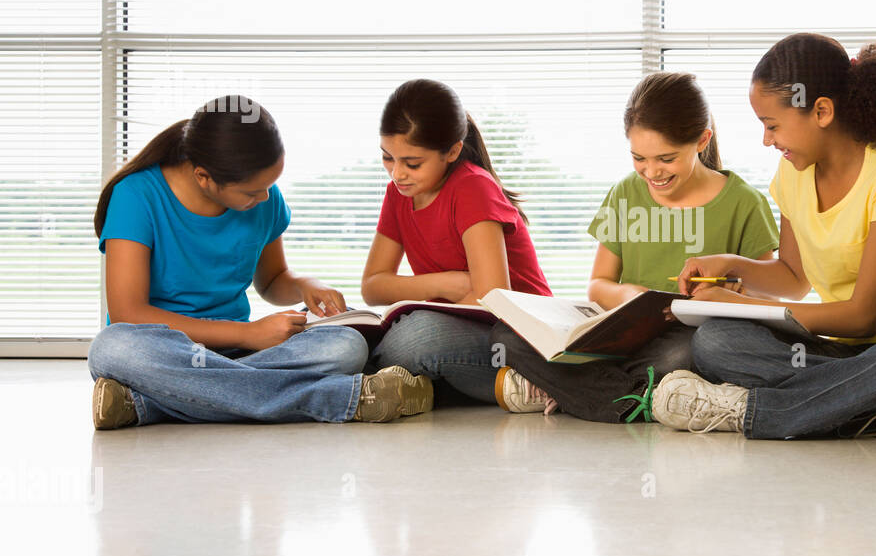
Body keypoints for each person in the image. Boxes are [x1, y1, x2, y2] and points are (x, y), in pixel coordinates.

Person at [649, 36, 876, 442]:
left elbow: (862, 317)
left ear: (821, 110)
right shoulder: (793, 175)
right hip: (846, 356)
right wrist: (732, 267)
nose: (767, 140)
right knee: (717, 341)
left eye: (772, 125)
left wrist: (743, 304)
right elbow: (793, 277)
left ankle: (759, 411)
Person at [88, 96, 431, 430]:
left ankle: (149, 402)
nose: (265, 198)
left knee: (347, 346)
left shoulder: (264, 199)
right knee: (113, 348)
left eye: (270, 185)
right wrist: (249, 333)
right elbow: (127, 314)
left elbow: (272, 280)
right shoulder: (136, 196)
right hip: (165, 349)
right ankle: (340, 398)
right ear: (204, 176)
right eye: (252, 192)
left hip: (238, 354)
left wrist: (304, 285)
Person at [490, 71, 779, 422]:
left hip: (684, 338)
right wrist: (628, 296)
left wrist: (731, 295)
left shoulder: (743, 203)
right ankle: (639, 397)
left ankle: (579, 393)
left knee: (688, 352)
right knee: (506, 334)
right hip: (620, 337)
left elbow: (769, 299)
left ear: (702, 141)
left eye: (666, 159)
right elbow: (598, 284)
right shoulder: (624, 193)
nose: (651, 171)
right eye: (639, 158)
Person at [362, 78, 551, 405]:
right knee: (355, 341)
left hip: (520, 335)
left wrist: (426, 293)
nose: (396, 174)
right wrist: (449, 284)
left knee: (415, 338)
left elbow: (492, 299)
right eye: (387, 158)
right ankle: (490, 387)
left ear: (452, 151)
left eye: (412, 163)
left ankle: (534, 380)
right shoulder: (398, 193)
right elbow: (373, 287)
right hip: (461, 327)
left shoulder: (473, 188)